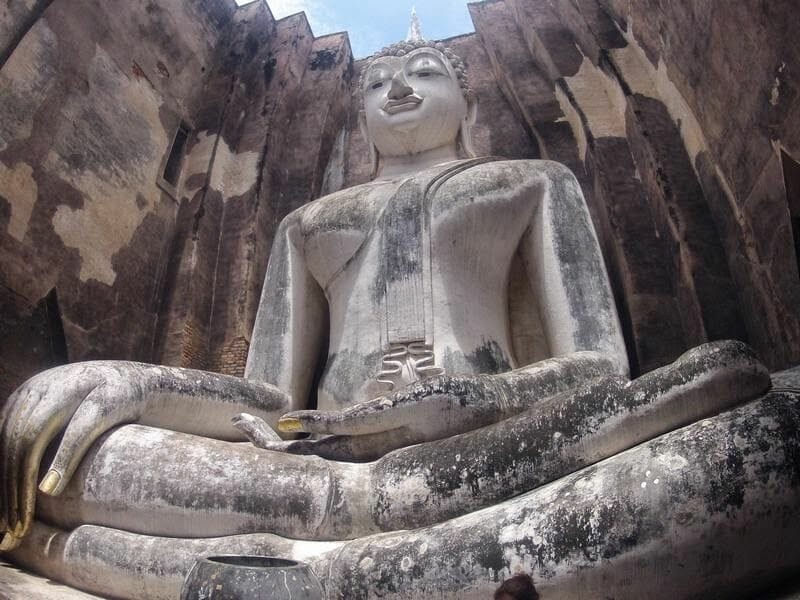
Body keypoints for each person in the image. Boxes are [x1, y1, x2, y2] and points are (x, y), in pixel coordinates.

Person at [0, 36, 772, 600]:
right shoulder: (309, 221)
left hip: (497, 455)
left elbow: (601, 369)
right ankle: (402, 562)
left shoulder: (530, 181)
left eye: (423, 73)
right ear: (360, 110)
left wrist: (469, 403)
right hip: (308, 472)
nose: (397, 90)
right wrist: (129, 384)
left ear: (467, 97)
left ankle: (290, 573)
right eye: (377, 84)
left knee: (764, 442)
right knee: (76, 457)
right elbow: (265, 400)